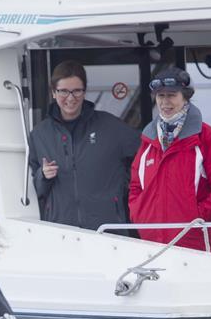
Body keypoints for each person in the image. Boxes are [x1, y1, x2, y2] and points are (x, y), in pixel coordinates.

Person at [129, 66, 211, 250]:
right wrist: (140, 215)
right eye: (160, 96)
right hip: (149, 243)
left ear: (185, 96)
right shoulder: (149, 139)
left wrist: (196, 216)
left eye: (172, 95)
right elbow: (135, 186)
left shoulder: (207, 137)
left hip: (193, 243)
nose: (165, 102)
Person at [28, 60, 141, 230]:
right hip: (61, 232)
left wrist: (123, 186)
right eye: (64, 91)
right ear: (53, 92)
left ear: (85, 91)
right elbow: (31, 190)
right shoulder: (40, 134)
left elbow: (145, 158)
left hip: (108, 230)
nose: (71, 98)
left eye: (77, 91)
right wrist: (43, 176)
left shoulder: (110, 127)